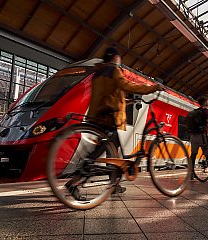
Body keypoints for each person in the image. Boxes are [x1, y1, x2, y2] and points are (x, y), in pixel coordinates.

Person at [66, 46, 162, 198]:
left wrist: (125, 101)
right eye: (119, 58)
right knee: (102, 152)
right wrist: (153, 88)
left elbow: (107, 93)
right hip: (110, 116)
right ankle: (74, 182)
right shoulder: (114, 70)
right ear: (116, 57)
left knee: (113, 153)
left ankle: (114, 185)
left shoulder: (99, 73)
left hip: (98, 115)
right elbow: (128, 85)